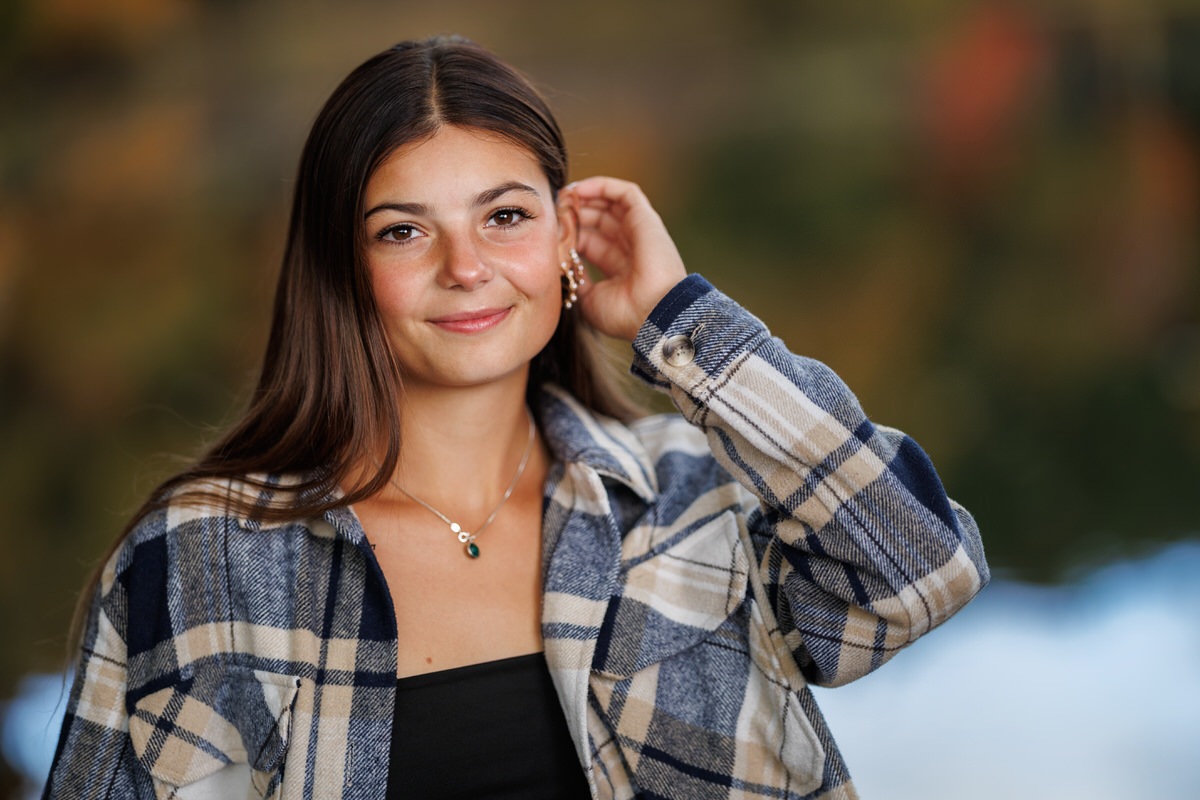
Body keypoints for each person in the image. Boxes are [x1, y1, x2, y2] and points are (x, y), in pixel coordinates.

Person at [43, 35, 988, 800]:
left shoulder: (690, 495)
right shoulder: (203, 556)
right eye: (403, 231)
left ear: (564, 240)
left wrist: (681, 321)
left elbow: (920, 575)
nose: (466, 267)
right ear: (342, 269)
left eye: (504, 216)